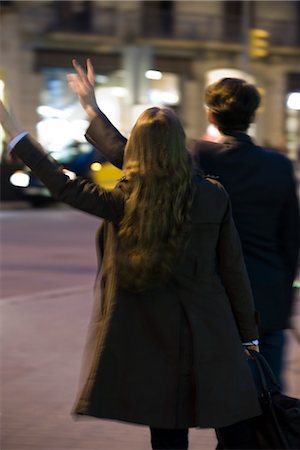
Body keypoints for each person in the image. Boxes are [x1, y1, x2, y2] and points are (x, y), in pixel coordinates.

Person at [1, 89, 261, 449]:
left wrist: (15, 133)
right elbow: (233, 269)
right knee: (233, 423)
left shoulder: (124, 201)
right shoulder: (212, 196)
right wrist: (248, 335)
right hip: (209, 334)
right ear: (179, 144)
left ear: (135, 150)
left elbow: (61, 184)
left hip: (151, 338)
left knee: (168, 431)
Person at [72, 63, 300, 388]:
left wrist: (91, 108)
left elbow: (130, 155)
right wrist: (283, 300)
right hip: (266, 303)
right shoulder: (278, 167)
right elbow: (290, 240)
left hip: (210, 301)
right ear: (253, 116)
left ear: (211, 115)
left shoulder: (195, 155)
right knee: (266, 406)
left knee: (210, 401)